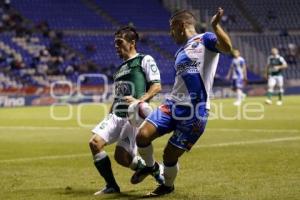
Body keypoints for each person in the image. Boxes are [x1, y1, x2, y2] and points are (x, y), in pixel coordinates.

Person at [131, 8, 232, 197]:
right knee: (142, 136)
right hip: (172, 106)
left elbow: (227, 48)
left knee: (169, 155)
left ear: (181, 25)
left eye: (171, 28)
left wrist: (216, 26)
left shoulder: (206, 39)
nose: (170, 33)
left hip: (195, 112)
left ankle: (167, 186)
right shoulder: (179, 52)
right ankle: (151, 168)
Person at [88, 26, 163, 195]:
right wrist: (109, 113)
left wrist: (140, 100)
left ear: (132, 43)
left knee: (121, 158)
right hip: (116, 114)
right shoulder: (119, 69)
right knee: (95, 143)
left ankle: (154, 170)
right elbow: (118, 95)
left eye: (119, 42)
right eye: (115, 43)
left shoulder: (144, 59)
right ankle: (112, 186)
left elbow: (156, 86)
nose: (116, 46)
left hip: (133, 116)